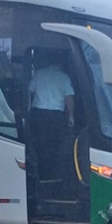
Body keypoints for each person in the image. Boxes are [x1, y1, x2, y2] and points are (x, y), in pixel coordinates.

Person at [28, 50, 74, 180]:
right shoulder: (64, 77)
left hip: (39, 114)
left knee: (40, 144)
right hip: (56, 116)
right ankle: (52, 174)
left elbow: (29, 92)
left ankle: (41, 172)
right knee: (54, 146)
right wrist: (71, 116)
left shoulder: (39, 74)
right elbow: (69, 98)